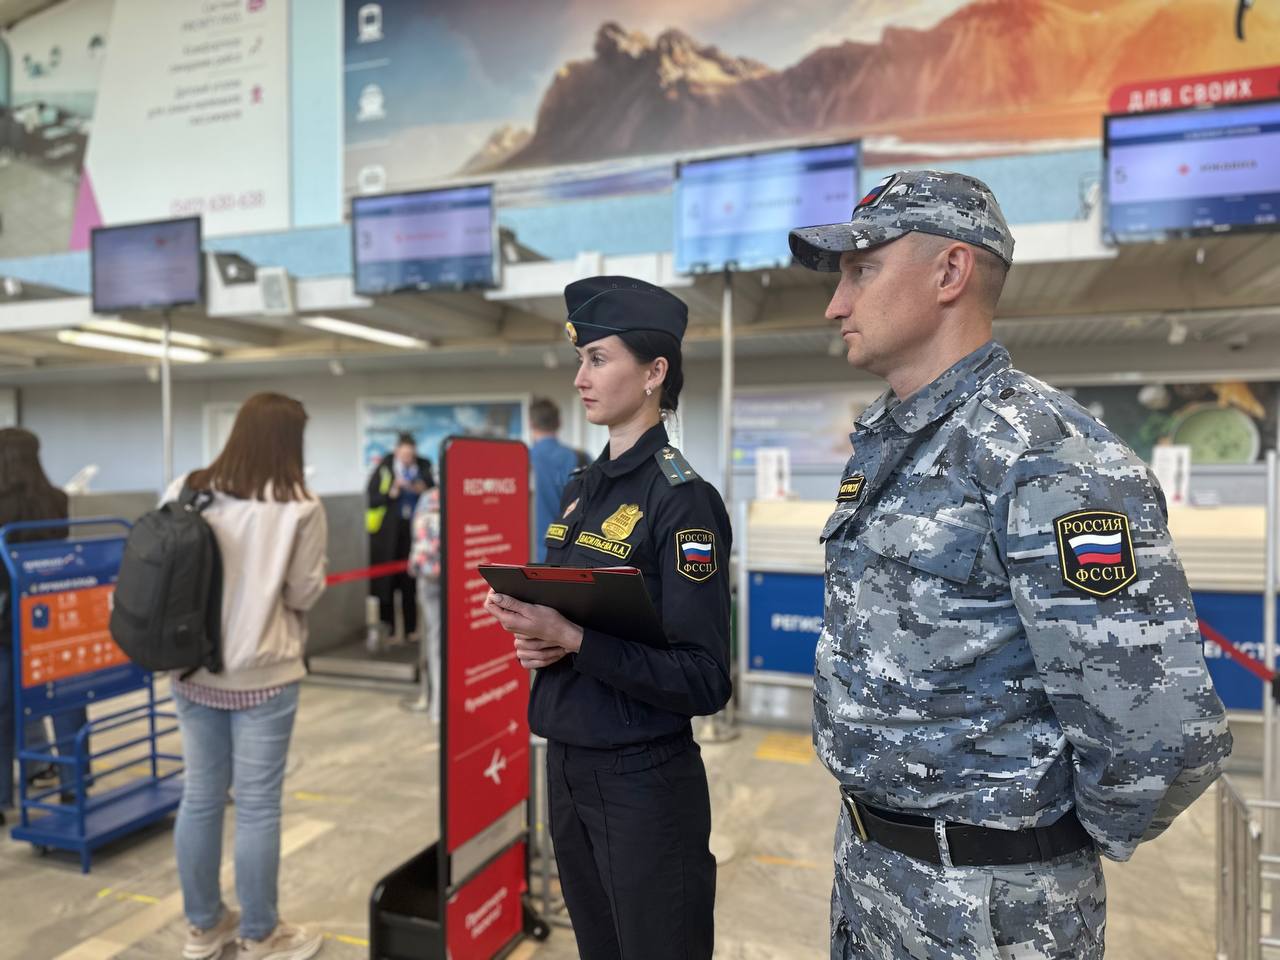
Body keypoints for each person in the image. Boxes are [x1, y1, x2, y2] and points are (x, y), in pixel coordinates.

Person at [787, 170, 1232, 959]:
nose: (836, 303)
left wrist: (1042, 849)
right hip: (871, 872)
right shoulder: (892, 446)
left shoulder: (1046, 453)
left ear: (950, 272)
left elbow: (1159, 730)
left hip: (993, 911)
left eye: (862, 270)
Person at [484, 276, 731, 960]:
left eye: (598, 359)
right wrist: (538, 634)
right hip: (568, 763)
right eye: (580, 360)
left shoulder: (683, 504)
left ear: (655, 373)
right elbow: (577, 621)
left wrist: (573, 639)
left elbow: (705, 680)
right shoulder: (581, 490)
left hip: (643, 782)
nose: (581, 377)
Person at [166, 393, 327, 960]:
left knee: (202, 796)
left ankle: (203, 927)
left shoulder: (188, 488)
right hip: (265, 673)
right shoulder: (300, 505)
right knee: (257, 805)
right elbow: (303, 592)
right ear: (291, 442)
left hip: (192, 669)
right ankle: (260, 934)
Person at [0, 427, 85, 827]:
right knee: (64, 702)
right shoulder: (57, 499)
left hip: (5, 620)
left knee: (2, 713)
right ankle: (74, 783)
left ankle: (2, 798)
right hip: (50, 617)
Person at [365, 433, 433, 643]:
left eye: (410, 455)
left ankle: (412, 630)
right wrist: (390, 494)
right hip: (387, 536)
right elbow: (371, 498)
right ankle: (390, 630)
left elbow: (434, 490)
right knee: (387, 583)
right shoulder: (385, 467)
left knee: (409, 583)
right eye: (403, 455)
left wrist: (422, 489)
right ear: (397, 451)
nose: (407, 459)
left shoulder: (424, 465)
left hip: (414, 533)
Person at [528, 397, 587, 562]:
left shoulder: (519, 461)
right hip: (568, 557)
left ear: (531, 424)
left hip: (527, 560)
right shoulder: (580, 459)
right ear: (559, 422)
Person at [406, 485, 442, 723]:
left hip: (426, 577)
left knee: (433, 640)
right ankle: (443, 703)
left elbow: (415, 536)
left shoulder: (427, 498)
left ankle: (435, 705)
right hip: (453, 579)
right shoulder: (461, 493)